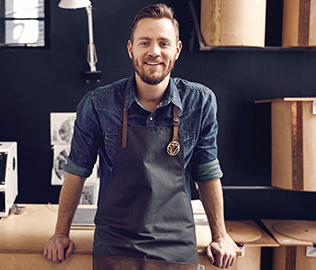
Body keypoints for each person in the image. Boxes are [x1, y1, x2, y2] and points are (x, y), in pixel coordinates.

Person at [44, 3, 236, 269]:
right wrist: (61, 233)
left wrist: (221, 235)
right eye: (144, 42)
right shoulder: (98, 104)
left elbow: (207, 172)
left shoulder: (200, 102)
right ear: (130, 48)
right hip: (115, 243)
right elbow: (77, 172)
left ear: (177, 50)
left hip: (176, 243)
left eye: (163, 43)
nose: (154, 52)